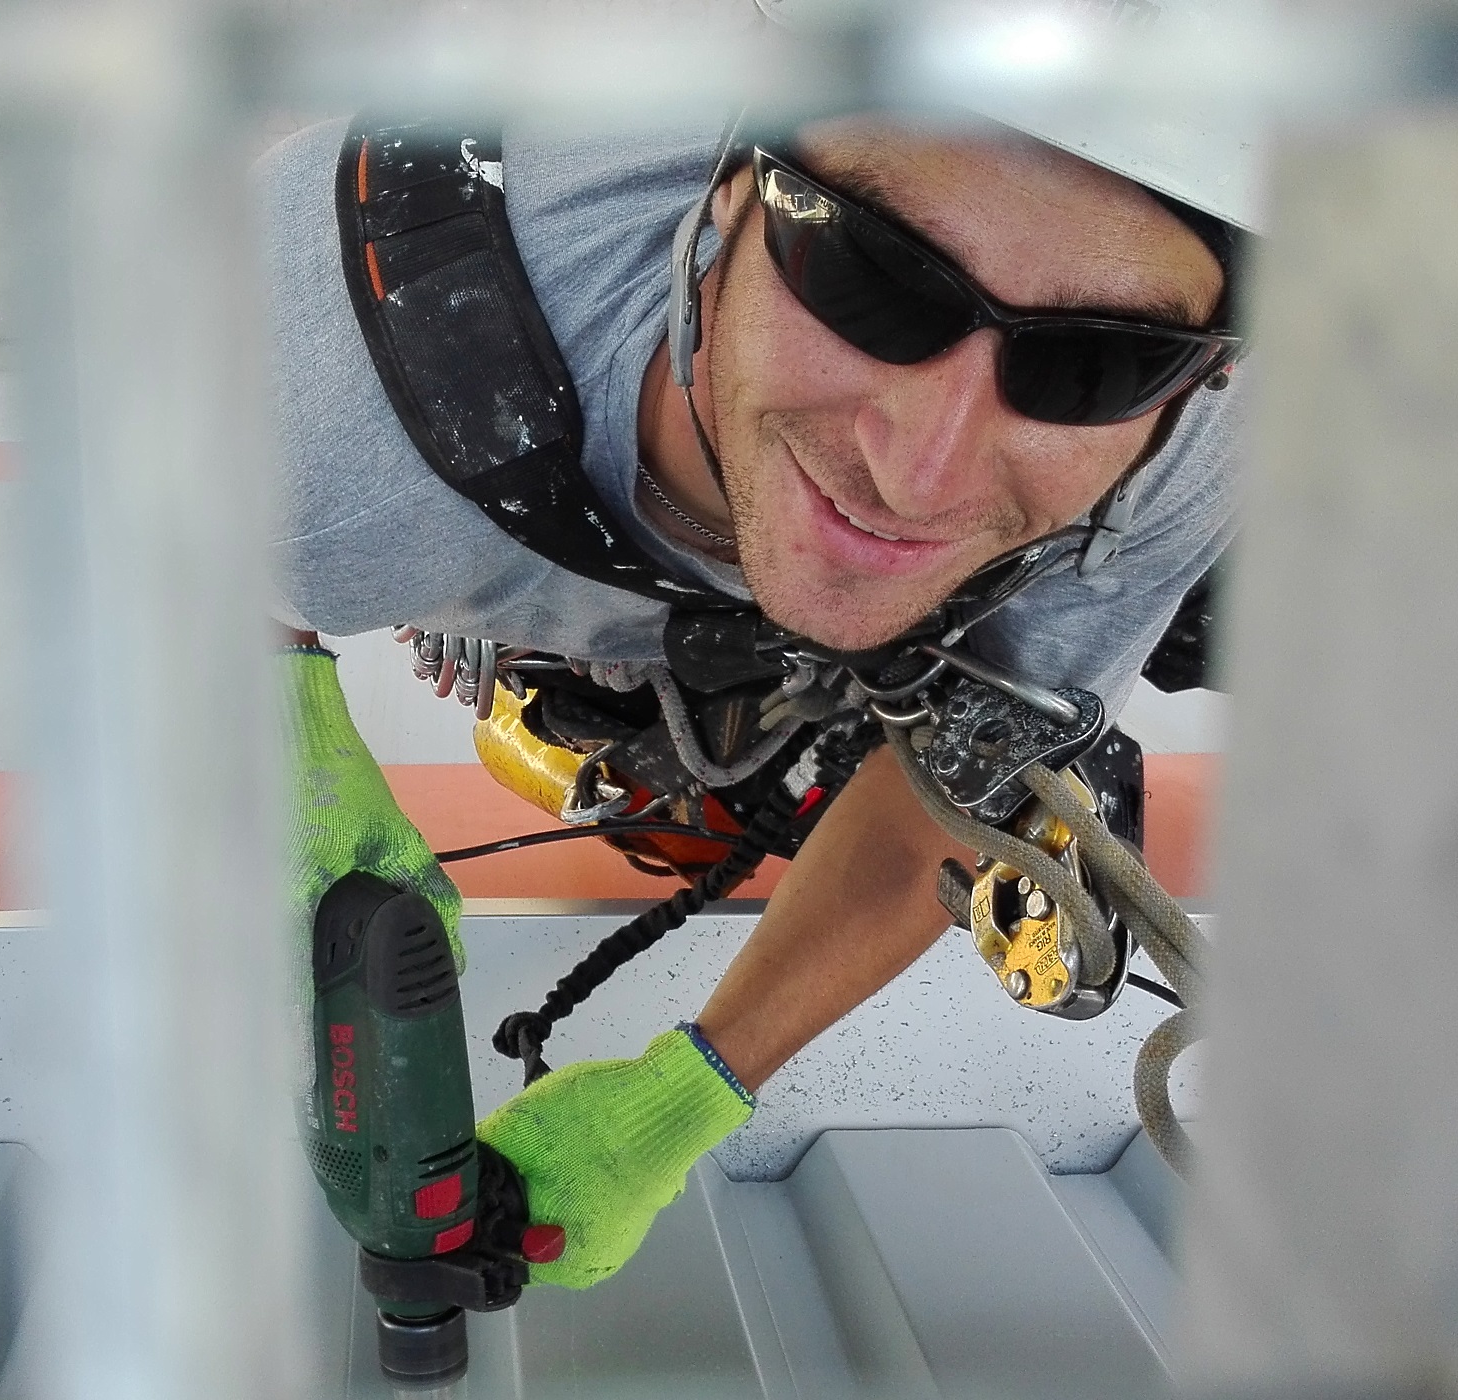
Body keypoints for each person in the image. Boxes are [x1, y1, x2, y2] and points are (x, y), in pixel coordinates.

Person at [262, 67, 1249, 1288]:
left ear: (1195, 382)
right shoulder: (317, 433)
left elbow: (936, 809)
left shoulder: (1180, 460)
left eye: (1096, 367)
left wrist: (684, 1096)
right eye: (869, 280)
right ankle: (585, 692)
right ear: (729, 190)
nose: (919, 474)